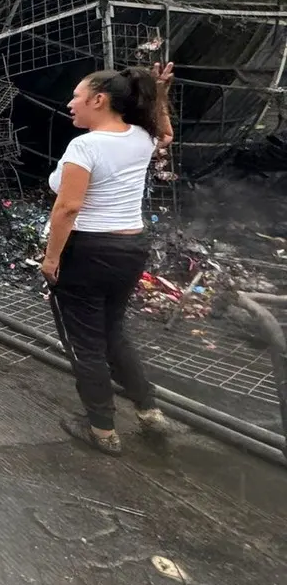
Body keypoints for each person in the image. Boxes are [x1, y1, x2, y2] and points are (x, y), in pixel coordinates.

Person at [41, 62, 175, 455]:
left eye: (77, 96)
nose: (70, 104)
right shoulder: (139, 137)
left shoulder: (86, 146)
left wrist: (51, 259)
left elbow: (68, 208)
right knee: (113, 331)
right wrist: (161, 94)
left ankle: (102, 429)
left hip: (88, 250)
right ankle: (149, 410)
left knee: (86, 343)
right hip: (130, 249)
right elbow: (165, 133)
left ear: (99, 100)